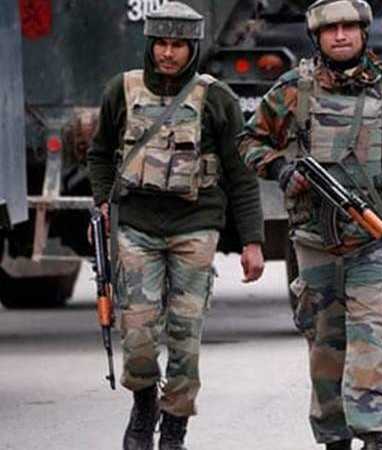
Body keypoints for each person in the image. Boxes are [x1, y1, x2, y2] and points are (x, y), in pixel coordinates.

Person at [237, 0, 382, 448]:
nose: (341, 36)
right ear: (317, 38)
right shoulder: (294, 89)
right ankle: (335, 438)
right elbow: (249, 140)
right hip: (314, 244)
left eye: (350, 27)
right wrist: (280, 169)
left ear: (364, 33)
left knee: (372, 341)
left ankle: (376, 437)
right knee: (325, 350)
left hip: (372, 244)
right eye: (331, 30)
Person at [86, 2, 266, 449]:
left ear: (193, 48)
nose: (168, 53)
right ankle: (144, 404)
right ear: (150, 45)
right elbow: (99, 153)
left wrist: (253, 241)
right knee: (138, 334)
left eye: (179, 45)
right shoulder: (121, 91)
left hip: (195, 226)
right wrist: (103, 202)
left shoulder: (216, 98)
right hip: (135, 226)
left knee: (185, 339)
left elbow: (240, 174)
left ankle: (174, 427)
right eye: (162, 44)